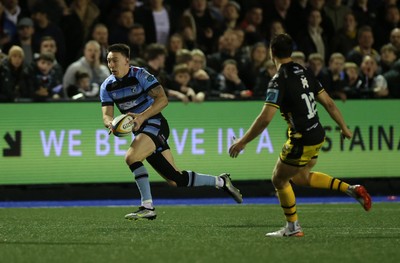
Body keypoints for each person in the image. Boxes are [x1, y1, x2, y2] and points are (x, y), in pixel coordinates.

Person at [228, 33, 372, 237]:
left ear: (272, 53)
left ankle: (293, 227)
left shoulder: (278, 81)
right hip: (317, 133)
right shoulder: (304, 71)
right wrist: (344, 127)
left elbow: (265, 119)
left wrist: (242, 142)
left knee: (278, 180)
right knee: (302, 177)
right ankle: (352, 189)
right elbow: (329, 103)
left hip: (301, 139)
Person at [100, 43, 242, 220]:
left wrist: (141, 117)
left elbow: (163, 100)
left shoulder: (140, 75)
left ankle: (147, 206)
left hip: (154, 123)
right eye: (108, 61)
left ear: (127, 60)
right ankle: (221, 182)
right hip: (141, 131)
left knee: (131, 157)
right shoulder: (107, 86)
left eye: (115, 60)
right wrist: (112, 125)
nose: (111, 65)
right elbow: (107, 115)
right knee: (176, 179)